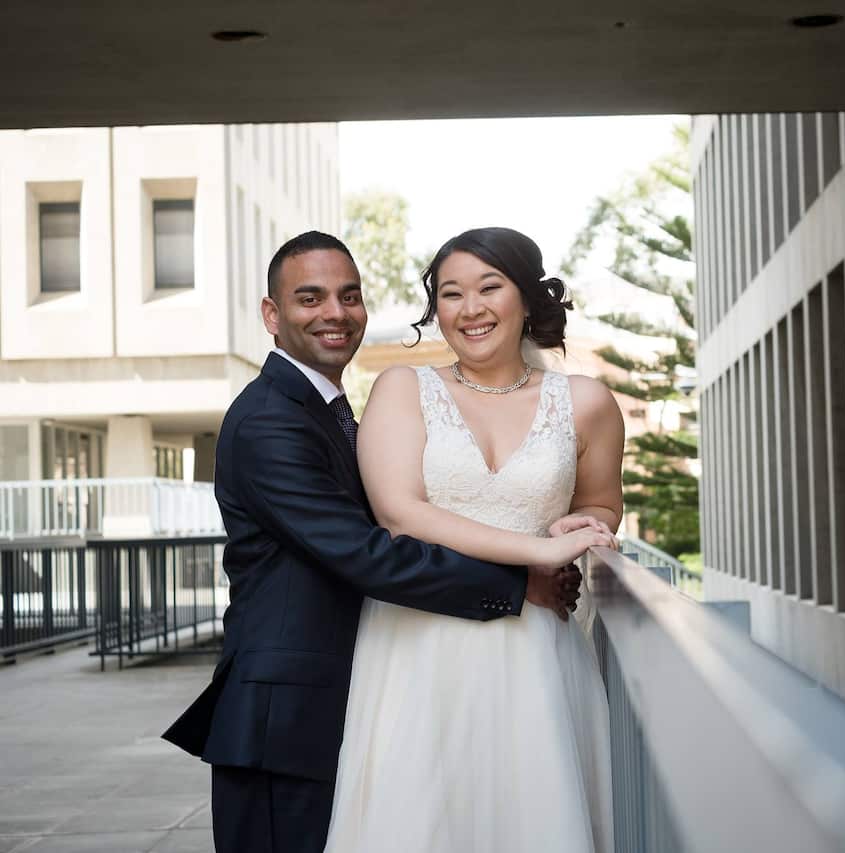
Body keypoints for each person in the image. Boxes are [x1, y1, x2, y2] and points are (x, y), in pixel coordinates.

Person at [161, 231, 613, 853]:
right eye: (309, 298)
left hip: (371, 681)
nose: (335, 314)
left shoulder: (327, 406)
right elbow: (366, 548)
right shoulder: (270, 419)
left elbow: (595, 503)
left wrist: (575, 527)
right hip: (286, 713)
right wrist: (524, 574)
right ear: (272, 315)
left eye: (350, 296)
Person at [323, 227, 625, 853]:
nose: (470, 308)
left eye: (490, 287)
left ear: (527, 298)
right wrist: (539, 553)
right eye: (451, 293)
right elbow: (400, 515)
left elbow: (599, 502)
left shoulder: (588, 402)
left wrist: (576, 524)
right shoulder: (404, 389)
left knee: (534, 815)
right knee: (421, 818)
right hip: (418, 644)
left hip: (537, 648)